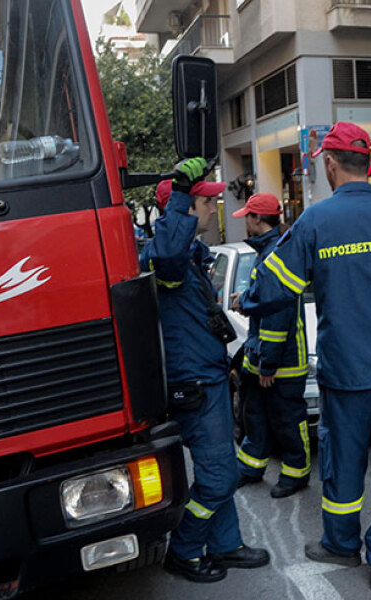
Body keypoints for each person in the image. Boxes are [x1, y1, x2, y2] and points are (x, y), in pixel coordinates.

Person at [236, 122, 371, 593]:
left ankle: (340, 542)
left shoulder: (315, 222)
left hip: (345, 370)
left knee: (344, 458)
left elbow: (272, 289)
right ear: (368, 164)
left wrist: (244, 301)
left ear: (330, 163)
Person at [138, 159, 270, 583]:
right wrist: (179, 196)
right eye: (207, 202)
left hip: (206, 375)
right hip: (194, 382)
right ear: (187, 207)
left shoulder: (188, 256)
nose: (214, 208)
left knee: (221, 469)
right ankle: (185, 549)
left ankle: (226, 545)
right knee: (218, 477)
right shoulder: (167, 260)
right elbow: (168, 256)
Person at [232, 193, 312, 499]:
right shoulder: (269, 251)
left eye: (247, 218)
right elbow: (264, 301)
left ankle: (296, 473)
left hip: (282, 362)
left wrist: (269, 365)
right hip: (262, 354)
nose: (245, 224)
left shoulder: (274, 255)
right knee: (256, 416)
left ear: (256, 219)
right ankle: (251, 467)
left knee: (288, 420)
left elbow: (277, 316)